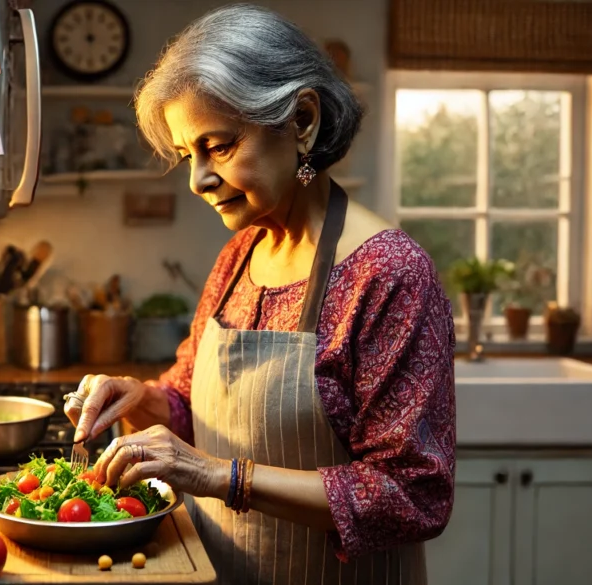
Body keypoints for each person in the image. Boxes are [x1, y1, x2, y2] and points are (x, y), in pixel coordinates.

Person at [64, 4, 456, 584]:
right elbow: (190, 402)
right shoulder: (240, 255)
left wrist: (222, 477)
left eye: (217, 146)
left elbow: (411, 494)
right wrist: (141, 399)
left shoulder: (387, 273)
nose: (197, 179)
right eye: (187, 155)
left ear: (301, 120)